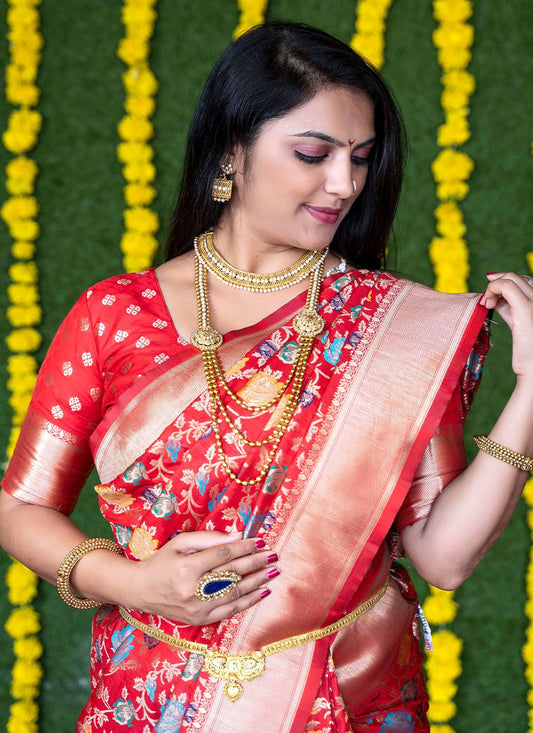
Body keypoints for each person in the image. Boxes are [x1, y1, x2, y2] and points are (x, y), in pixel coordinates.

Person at [0, 21, 532, 733]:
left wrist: (531, 390)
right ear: (231, 149)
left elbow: (443, 557)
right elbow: (19, 508)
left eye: (361, 158)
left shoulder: (395, 328)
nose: (344, 183)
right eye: (313, 154)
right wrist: (131, 582)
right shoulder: (115, 315)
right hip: (154, 703)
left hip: (348, 701)